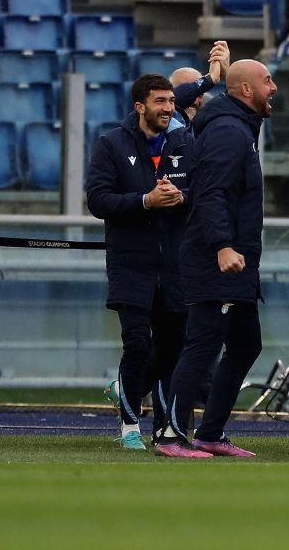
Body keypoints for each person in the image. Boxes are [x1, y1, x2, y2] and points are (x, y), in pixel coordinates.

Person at [155, 60, 277, 459]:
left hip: (238, 259)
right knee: (203, 346)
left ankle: (210, 432)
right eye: (266, 80)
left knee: (246, 345)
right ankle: (170, 436)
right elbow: (212, 194)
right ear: (245, 90)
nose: (273, 87)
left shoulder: (240, 128)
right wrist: (224, 245)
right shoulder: (228, 131)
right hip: (218, 258)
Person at [86, 74, 195, 451]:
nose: (168, 108)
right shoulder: (111, 144)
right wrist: (145, 201)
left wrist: (181, 197)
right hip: (131, 263)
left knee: (170, 351)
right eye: (160, 101)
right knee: (136, 345)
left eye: (170, 101)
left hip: (175, 266)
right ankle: (130, 425)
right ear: (140, 106)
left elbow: (203, 190)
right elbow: (98, 200)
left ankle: (164, 428)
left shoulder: (183, 142)